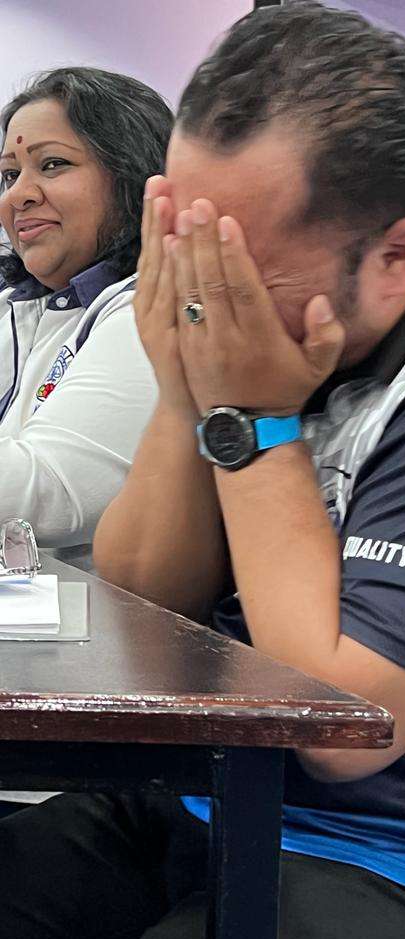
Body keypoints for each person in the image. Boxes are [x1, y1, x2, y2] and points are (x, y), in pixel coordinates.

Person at [3, 4, 405, 939]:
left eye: (238, 274)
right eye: (188, 255)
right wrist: (184, 388)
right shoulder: (270, 320)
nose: (205, 297)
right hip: (213, 793)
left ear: (398, 254)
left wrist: (256, 418)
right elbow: (144, 601)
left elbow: (344, 729)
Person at [0, 67, 170, 570]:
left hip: (102, 618)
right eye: (9, 175)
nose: (19, 195)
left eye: (52, 164)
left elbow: (48, 497)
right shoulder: (20, 306)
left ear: (133, 179)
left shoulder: (150, 310)